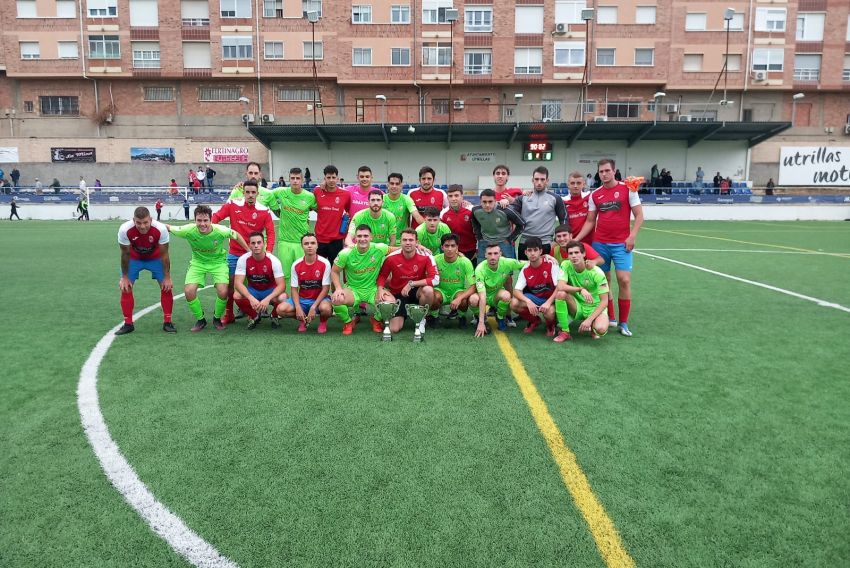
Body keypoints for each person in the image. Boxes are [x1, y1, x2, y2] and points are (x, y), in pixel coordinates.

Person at [574, 158, 644, 337]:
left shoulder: (628, 189)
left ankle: (624, 322)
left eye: (607, 170)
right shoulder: (595, 194)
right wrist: (576, 239)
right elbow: (590, 221)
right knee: (605, 281)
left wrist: (632, 236)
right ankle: (611, 317)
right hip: (601, 243)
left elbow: (639, 216)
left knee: (624, 280)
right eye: (601, 171)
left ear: (614, 171)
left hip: (622, 243)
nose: (604, 174)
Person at [166, 205, 248, 331]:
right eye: (199, 220)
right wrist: (150, 222)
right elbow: (168, 227)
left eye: (205, 221)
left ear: (211, 220)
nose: (202, 224)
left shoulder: (220, 230)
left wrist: (248, 251)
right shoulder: (188, 230)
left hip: (218, 263)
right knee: (189, 291)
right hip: (198, 263)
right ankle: (201, 320)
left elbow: (236, 235)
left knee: (223, 290)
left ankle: (216, 318)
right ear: (195, 220)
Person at [211, 179, 276, 325]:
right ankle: (229, 314)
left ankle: (259, 312)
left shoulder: (264, 211)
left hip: (256, 254)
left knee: (261, 284)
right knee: (230, 285)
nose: (250, 195)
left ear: (258, 193)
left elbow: (271, 233)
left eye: (253, 192)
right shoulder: (233, 205)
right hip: (235, 253)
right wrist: (210, 231)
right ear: (243, 192)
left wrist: (269, 252)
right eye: (248, 192)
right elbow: (216, 217)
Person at [115, 206, 175, 335]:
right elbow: (125, 254)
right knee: (125, 287)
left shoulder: (160, 229)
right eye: (139, 223)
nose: (142, 226)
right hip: (134, 259)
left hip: (155, 258)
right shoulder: (125, 230)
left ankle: (168, 322)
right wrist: (125, 277)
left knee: (166, 287)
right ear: (134, 220)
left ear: (151, 219)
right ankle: (128, 324)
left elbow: (165, 254)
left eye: (145, 222)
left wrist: (167, 277)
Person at [377, 228, 439, 336]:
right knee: (394, 329)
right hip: (399, 294)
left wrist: (412, 284)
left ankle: (421, 319)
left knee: (428, 290)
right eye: (404, 240)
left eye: (411, 240)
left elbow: (435, 279)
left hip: (417, 293)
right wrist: (380, 289)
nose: (408, 243)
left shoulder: (426, 256)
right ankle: (400, 315)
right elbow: (382, 276)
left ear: (417, 242)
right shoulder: (391, 258)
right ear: (400, 242)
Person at [330, 224, 389, 335]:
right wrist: (338, 288)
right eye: (359, 236)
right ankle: (348, 322)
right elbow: (334, 271)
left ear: (371, 237)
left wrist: (417, 246)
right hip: (353, 289)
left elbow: (398, 249)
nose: (362, 239)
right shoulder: (345, 253)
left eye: (366, 236)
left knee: (390, 303)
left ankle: (375, 320)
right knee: (336, 299)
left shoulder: (379, 248)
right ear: (355, 238)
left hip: (373, 289)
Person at [269, 167, 318, 287]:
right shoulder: (281, 192)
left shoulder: (309, 197)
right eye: (292, 178)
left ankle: (301, 303)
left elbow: (319, 209)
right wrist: (276, 209)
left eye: (298, 178)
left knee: (302, 275)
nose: (295, 181)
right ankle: (285, 301)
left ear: (302, 180)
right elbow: (266, 195)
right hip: (284, 241)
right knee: (285, 275)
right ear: (289, 179)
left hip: (302, 243)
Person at [552, 241, 610, 343]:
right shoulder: (565, 265)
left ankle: (593, 326)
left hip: (595, 307)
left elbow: (605, 301)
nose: (574, 256)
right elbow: (561, 286)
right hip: (578, 306)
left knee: (600, 329)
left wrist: (589, 320)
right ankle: (565, 332)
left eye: (576, 253)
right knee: (560, 294)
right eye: (570, 253)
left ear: (583, 254)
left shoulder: (596, 272)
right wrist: (580, 289)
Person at [277, 232, 333, 333]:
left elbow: (326, 289)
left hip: (320, 300)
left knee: (326, 309)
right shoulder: (296, 264)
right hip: (302, 300)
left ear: (317, 245)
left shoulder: (325, 263)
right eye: (306, 243)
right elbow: (294, 289)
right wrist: (298, 307)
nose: (309, 246)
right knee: (280, 310)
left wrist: (314, 306)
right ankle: (303, 319)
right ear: (302, 246)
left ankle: (323, 321)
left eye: (312, 243)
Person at [509, 165, 567, 259]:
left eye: (542, 179)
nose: (539, 182)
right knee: (525, 272)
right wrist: (506, 202)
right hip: (525, 243)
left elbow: (563, 220)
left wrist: (556, 241)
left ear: (547, 180)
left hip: (546, 244)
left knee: (547, 273)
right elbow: (510, 214)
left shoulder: (555, 198)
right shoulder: (523, 198)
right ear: (532, 180)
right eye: (536, 179)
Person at [233, 232, 287, 329]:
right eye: (253, 243)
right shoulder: (243, 259)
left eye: (259, 242)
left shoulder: (274, 260)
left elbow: (282, 285)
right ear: (249, 245)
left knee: (283, 297)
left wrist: (267, 299)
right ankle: (254, 316)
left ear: (264, 244)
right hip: (253, 291)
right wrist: (251, 298)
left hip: (269, 291)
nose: (256, 246)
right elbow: (238, 283)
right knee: (236, 295)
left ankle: (274, 316)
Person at [470, 242, 525, 336]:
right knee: (473, 299)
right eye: (490, 254)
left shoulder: (507, 262)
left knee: (507, 295)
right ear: (485, 255)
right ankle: (480, 317)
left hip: (496, 295)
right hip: (483, 295)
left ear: (500, 254)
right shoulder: (480, 269)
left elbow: (528, 262)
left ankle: (500, 317)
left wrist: (545, 257)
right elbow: (482, 296)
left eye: (495, 253)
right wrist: (481, 323)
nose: (492, 257)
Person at [510, 236, 559, 336]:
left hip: (551, 298)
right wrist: (528, 301)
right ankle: (535, 321)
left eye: (535, 250)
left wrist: (548, 303)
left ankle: (551, 325)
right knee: (514, 303)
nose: (532, 253)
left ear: (541, 251)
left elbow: (559, 287)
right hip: (536, 298)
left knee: (549, 313)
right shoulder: (525, 268)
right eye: (529, 250)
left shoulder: (551, 263)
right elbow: (516, 290)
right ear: (525, 253)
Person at [431, 233, 476, 329]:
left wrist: (459, 299)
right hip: (440, 291)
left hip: (457, 291)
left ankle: (462, 317)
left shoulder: (465, 262)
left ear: (457, 247)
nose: (450, 249)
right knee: (432, 295)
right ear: (442, 247)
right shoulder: (435, 260)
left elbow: (473, 286)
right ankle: (434, 317)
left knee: (463, 299)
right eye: (447, 246)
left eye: (453, 246)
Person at [471, 189, 525, 261]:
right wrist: (479, 237)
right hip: (484, 241)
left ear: (495, 201)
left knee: (507, 269)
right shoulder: (475, 210)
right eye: (484, 202)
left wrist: (510, 239)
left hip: (504, 242)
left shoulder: (505, 210)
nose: (487, 205)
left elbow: (522, 224)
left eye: (490, 202)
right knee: (481, 268)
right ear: (480, 201)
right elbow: (475, 221)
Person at [314, 164, 352, 264]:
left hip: (336, 240)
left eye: (333, 177)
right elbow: (312, 207)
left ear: (337, 178)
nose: (331, 180)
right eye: (328, 177)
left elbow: (348, 212)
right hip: (320, 238)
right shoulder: (317, 191)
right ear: (324, 178)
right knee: (319, 268)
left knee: (334, 269)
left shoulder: (345, 194)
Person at [441, 184, 477, 265]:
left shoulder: (472, 210)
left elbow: (479, 231)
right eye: (450, 196)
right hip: (453, 252)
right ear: (447, 198)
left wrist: (477, 250)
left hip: (473, 252)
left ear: (462, 197)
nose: (453, 199)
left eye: (456, 195)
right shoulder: (443, 214)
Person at [383, 172, 424, 241]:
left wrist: (430, 226)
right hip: (385, 240)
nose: (394, 186)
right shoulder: (381, 199)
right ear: (388, 185)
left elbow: (417, 216)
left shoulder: (406, 199)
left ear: (401, 185)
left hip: (402, 240)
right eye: (392, 183)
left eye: (397, 184)